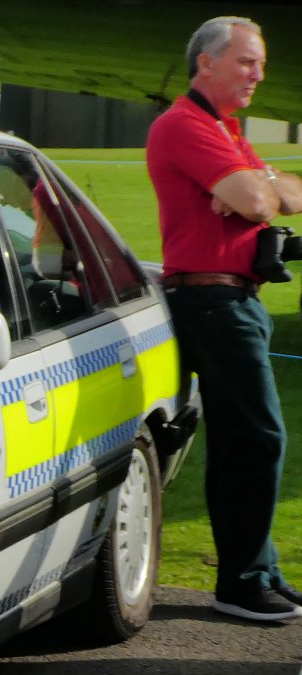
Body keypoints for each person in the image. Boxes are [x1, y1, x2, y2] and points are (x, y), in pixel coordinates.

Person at [146, 16, 302, 622]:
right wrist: (255, 190)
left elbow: (287, 194)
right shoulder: (185, 126)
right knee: (255, 437)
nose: (258, 74)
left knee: (251, 438)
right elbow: (266, 202)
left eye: (260, 64)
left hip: (236, 299)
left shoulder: (224, 130)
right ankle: (240, 582)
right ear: (205, 63)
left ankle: (258, 568)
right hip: (212, 301)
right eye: (246, 62)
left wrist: (251, 182)